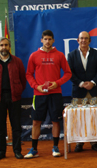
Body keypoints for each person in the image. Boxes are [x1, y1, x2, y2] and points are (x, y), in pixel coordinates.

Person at [24, 30, 72, 158]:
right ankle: (34, 149)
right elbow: (28, 74)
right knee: (36, 122)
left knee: (56, 121)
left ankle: (55, 147)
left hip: (55, 94)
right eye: (45, 39)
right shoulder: (34, 55)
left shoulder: (60, 55)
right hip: (39, 94)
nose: (47, 41)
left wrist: (57, 83)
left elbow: (68, 73)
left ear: (53, 40)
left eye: (50, 39)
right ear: (41, 40)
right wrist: (36, 86)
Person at [0, 37, 26, 160]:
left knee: (16, 126)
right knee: (1, 127)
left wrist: (18, 90)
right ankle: (1, 151)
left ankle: (17, 151)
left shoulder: (17, 61)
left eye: (6, 45)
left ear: (9, 47)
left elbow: (22, 80)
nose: (4, 47)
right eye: (1, 45)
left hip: (14, 97)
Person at [67, 31, 97, 152]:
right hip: (78, 92)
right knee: (79, 118)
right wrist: (82, 83)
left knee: (94, 118)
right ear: (77, 40)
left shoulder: (96, 53)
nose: (83, 40)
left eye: (86, 38)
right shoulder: (71, 55)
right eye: (81, 38)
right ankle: (79, 143)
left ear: (90, 40)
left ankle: (94, 143)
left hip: (94, 91)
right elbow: (70, 73)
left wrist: (92, 82)